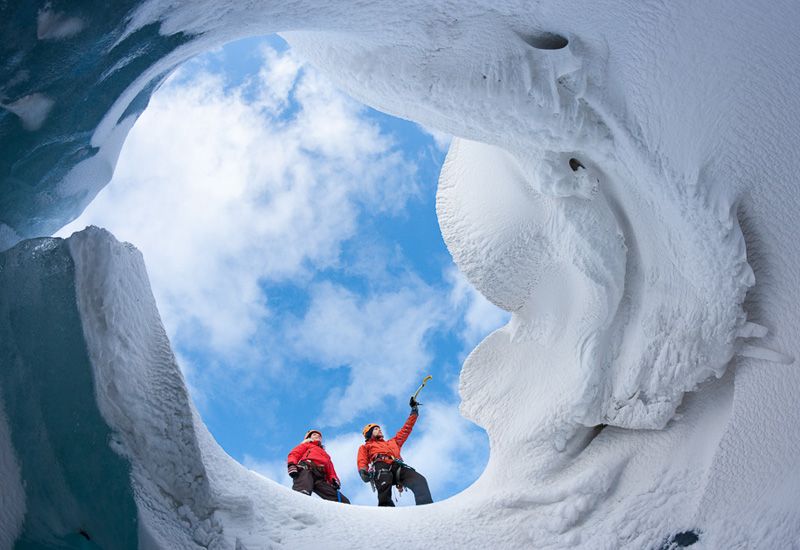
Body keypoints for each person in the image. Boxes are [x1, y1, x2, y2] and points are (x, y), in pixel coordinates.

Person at [357, 397, 433, 506]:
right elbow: (362, 459)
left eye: (379, 428)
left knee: (419, 480)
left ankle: (426, 508)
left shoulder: (393, 442)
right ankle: (387, 514)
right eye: (375, 429)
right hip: (381, 466)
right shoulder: (366, 447)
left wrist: (414, 410)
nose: (379, 429)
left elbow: (406, 429)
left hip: (397, 466)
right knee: (384, 489)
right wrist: (363, 470)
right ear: (369, 434)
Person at [287, 429, 350, 504]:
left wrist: (334, 479)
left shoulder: (325, 454)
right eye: (314, 435)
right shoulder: (306, 445)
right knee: (302, 492)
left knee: (343, 501)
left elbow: (330, 469)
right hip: (306, 469)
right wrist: (291, 464)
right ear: (308, 438)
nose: (317, 436)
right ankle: (296, 507)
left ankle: (344, 511)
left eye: (319, 436)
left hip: (320, 476)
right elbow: (294, 453)